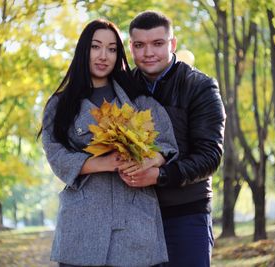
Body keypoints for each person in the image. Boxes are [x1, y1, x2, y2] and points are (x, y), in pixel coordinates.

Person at [41, 19, 178, 266]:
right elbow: (56, 155)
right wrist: (103, 163)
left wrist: (150, 161)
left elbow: (168, 146)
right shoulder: (60, 105)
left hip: (136, 220)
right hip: (83, 222)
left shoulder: (139, 100)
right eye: (96, 47)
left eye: (112, 49)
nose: (103, 56)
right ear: (84, 50)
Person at [124, 11, 226, 267]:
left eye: (157, 43)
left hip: (186, 213)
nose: (148, 52)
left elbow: (210, 156)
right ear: (131, 47)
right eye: (139, 45)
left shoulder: (200, 87)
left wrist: (161, 175)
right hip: (133, 215)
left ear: (173, 44)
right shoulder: (122, 89)